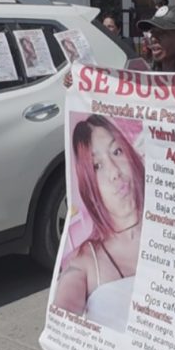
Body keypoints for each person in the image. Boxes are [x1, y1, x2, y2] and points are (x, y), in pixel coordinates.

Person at [53, 114, 146, 331]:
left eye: (117, 151)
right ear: (87, 182)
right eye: (97, 166)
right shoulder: (86, 261)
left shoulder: (172, 232)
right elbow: (63, 314)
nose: (114, 172)